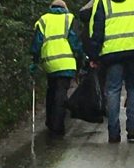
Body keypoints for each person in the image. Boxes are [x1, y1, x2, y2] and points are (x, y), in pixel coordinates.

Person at [88, 0, 134, 143]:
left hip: (112, 52)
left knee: (113, 90)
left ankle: (113, 132)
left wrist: (94, 55)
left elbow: (98, 30)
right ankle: (132, 130)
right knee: (132, 88)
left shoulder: (104, 3)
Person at [30, 0, 82, 136]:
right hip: (66, 62)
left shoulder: (43, 20)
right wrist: (81, 56)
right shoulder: (69, 19)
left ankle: (50, 121)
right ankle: (58, 127)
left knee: (51, 90)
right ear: (65, 8)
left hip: (49, 63)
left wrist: (35, 61)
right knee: (61, 93)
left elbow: (37, 43)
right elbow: (75, 41)